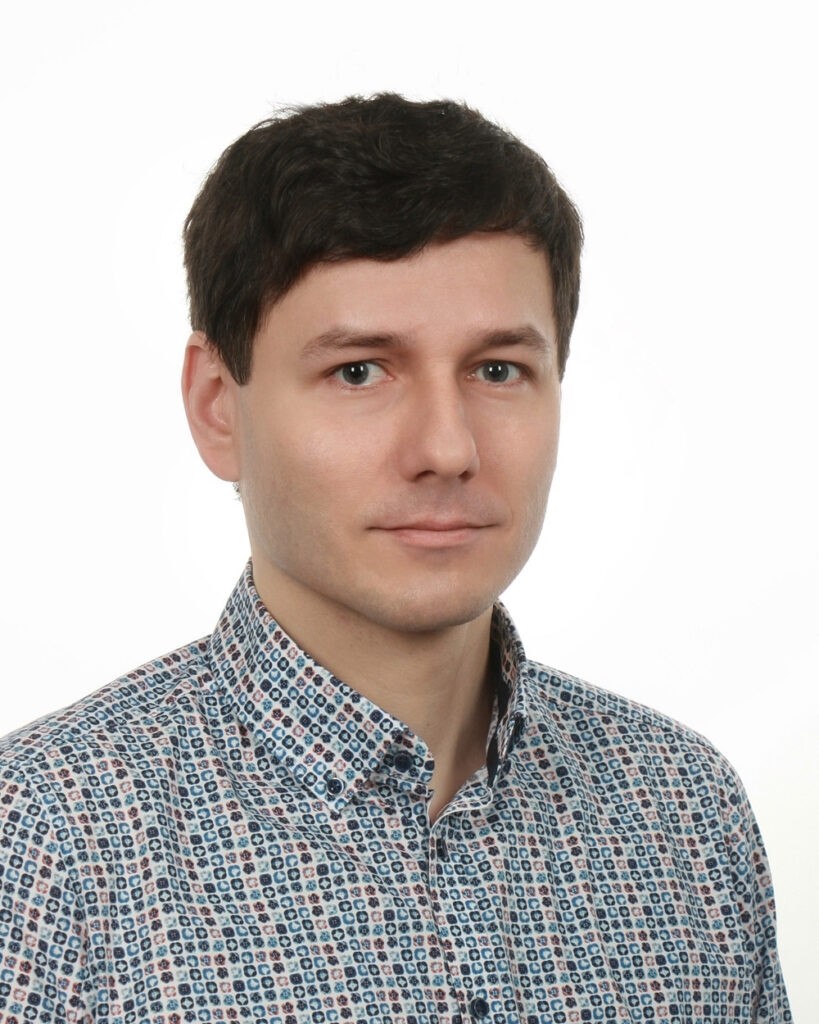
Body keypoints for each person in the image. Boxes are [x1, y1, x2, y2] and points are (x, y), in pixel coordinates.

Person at [0, 94, 790, 1023]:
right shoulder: (46, 842)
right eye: (359, 371)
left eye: (497, 370)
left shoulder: (682, 813)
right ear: (218, 405)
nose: (447, 449)